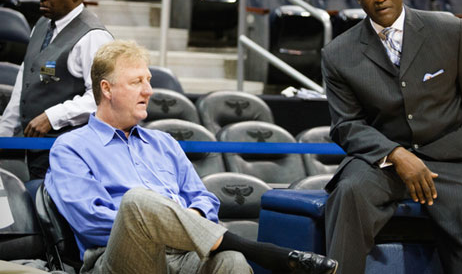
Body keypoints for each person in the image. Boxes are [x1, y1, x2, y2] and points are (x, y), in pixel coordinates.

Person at [45, 40, 337, 274]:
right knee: (138, 201)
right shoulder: (70, 147)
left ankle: (243, 250)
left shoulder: (163, 143)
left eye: (148, 80)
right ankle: (262, 252)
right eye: (137, 82)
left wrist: (183, 224)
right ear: (106, 89)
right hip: (118, 260)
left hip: (185, 254)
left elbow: (204, 199)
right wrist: (159, 224)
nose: (148, 90)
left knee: (232, 261)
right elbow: (89, 222)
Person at [321, 0, 462, 274]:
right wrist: (395, 154)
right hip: (383, 164)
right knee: (348, 193)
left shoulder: (448, 30)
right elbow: (346, 125)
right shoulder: (337, 53)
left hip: (454, 162)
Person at [0, 0, 113, 178]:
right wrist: (5, 130)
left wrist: (53, 116)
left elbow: (102, 97)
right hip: (34, 150)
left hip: (70, 155)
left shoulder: (94, 35)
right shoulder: (42, 24)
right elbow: (26, 78)